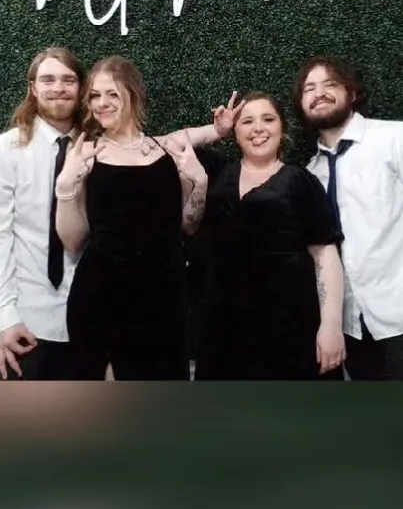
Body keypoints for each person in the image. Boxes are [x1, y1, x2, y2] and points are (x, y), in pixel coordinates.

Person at [55, 55, 243, 380]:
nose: (102, 103)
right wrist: (66, 185)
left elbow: (190, 219)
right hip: (101, 295)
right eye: (95, 95)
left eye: (112, 93)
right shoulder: (86, 153)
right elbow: (72, 241)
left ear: (133, 94)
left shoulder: (165, 147)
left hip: (163, 295)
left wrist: (218, 134)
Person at [194, 91, 345, 380]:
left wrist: (330, 325)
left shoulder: (300, 181)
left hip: (289, 324)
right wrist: (216, 131)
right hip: (224, 327)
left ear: (282, 127)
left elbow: (325, 255)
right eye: (247, 121)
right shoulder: (218, 174)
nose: (258, 128)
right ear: (235, 132)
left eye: (268, 119)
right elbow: (166, 145)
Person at [293, 54, 403, 380]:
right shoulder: (309, 175)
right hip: (352, 327)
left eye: (330, 84)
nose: (319, 93)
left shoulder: (393, 139)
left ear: (351, 93)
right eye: (309, 88)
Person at [0, 46, 86, 380]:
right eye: (48, 79)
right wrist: (5, 318)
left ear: (81, 89)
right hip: (25, 324)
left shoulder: (98, 148)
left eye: (68, 79)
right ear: (33, 88)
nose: (59, 87)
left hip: (87, 320)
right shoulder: (7, 150)